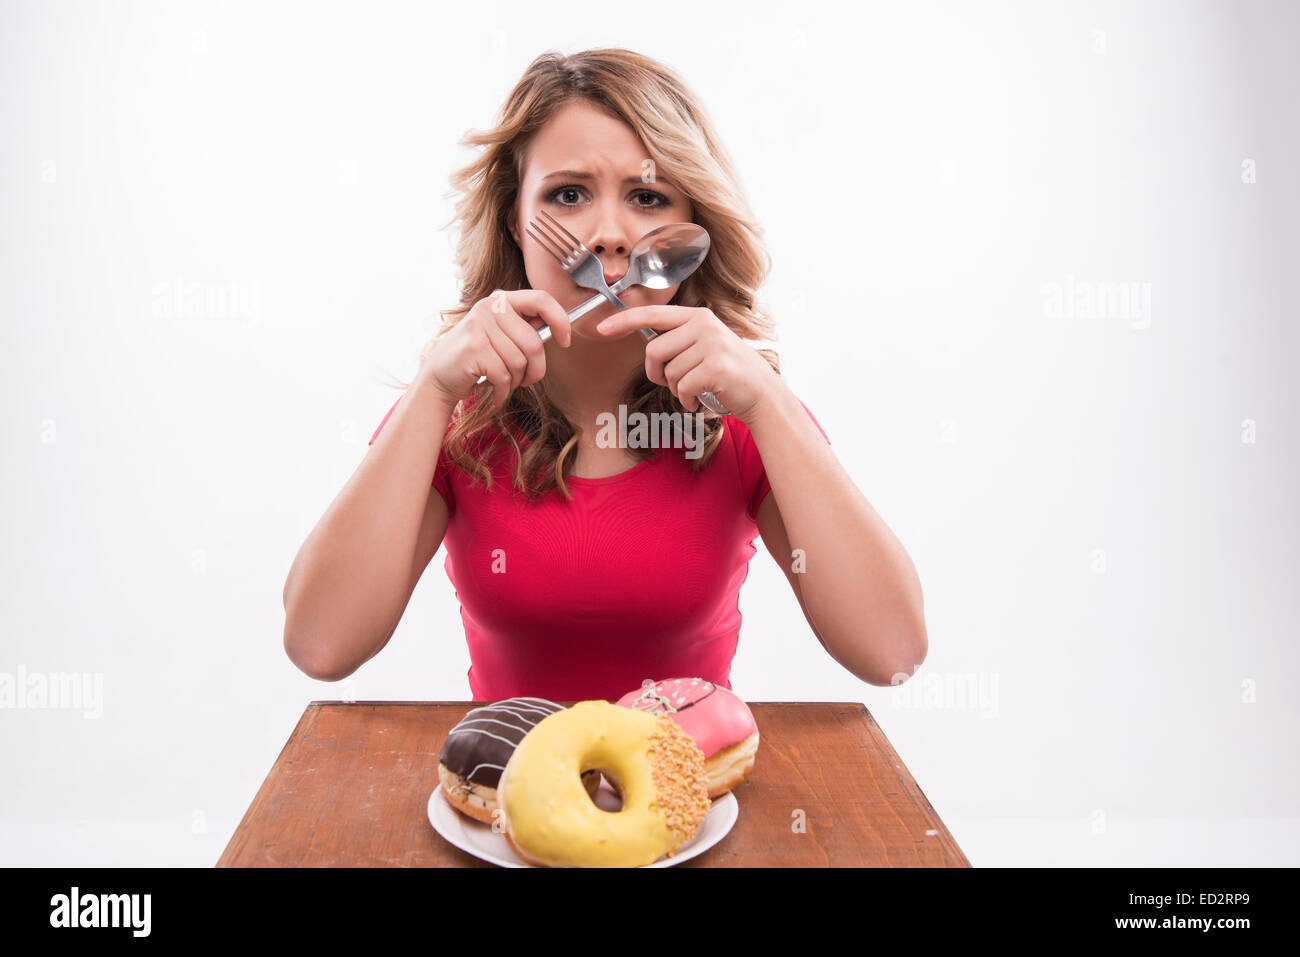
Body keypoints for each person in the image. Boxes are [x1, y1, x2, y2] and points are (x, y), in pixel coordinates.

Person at [283, 48, 928, 701]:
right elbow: (320, 644)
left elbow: (892, 651)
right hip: (507, 793)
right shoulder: (454, 417)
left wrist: (767, 398)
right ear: (514, 219)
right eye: (568, 194)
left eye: (648, 197)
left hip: (693, 796)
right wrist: (430, 390)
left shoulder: (742, 413)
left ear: (693, 225)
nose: (609, 234)